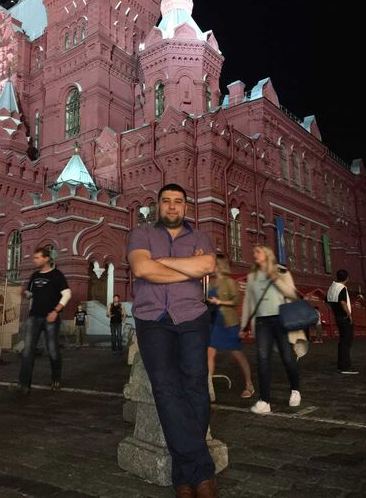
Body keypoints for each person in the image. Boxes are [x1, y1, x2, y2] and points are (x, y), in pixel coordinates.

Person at [127, 183, 218, 498]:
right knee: (165, 387)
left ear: (186, 207)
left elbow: (208, 265)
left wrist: (159, 263)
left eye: (178, 201)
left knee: (196, 385)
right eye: (166, 201)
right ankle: (201, 474)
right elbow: (141, 267)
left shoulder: (200, 237)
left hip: (192, 316)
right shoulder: (141, 234)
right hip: (152, 319)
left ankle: (183, 477)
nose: (172, 206)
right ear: (158, 205)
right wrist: (188, 269)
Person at [241, 245, 303, 415]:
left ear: (267, 254)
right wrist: (243, 325)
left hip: (281, 319)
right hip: (262, 322)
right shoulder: (252, 276)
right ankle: (264, 400)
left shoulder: (281, 271)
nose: (254, 254)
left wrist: (275, 279)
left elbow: (292, 293)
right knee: (262, 359)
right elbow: (248, 302)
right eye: (253, 251)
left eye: (258, 251)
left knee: (287, 356)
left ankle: (295, 390)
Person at [12, 247, 71, 394]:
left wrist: (56, 311)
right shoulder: (34, 276)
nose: (35, 260)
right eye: (34, 258)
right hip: (34, 317)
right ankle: (23, 384)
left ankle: (56, 379)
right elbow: (31, 295)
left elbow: (67, 294)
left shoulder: (57, 275)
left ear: (46, 258)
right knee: (27, 351)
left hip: (51, 317)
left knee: (52, 350)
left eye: (37, 257)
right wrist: (24, 293)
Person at [207, 255, 254, 399]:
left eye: (213, 264)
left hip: (228, 322)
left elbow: (235, 301)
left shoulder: (229, 281)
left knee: (237, 354)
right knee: (209, 353)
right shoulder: (210, 282)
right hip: (213, 322)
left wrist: (219, 302)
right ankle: (209, 389)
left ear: (219, 265)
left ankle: (249, 384)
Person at [327, 269, 358, 374]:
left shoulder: (332, 287)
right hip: (344, 317)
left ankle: (341, 365)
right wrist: (349, 314)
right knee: (347, 341)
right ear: (347, 278)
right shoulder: (342, 288)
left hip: (338, 316)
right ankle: (345, 367)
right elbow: (343, 302)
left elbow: (328, 301)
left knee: (343, 341)